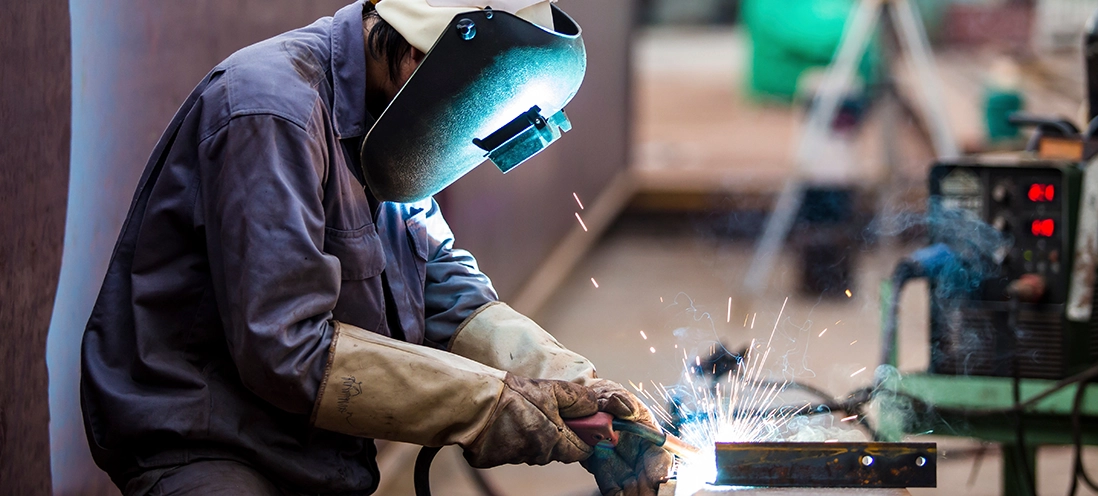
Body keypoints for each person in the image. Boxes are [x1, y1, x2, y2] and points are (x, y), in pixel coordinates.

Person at [79, 1, 673, 495]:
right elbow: (288, 352)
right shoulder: (271, 113)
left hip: (316, 447)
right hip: (208, 445)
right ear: (421, 56)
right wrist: (502, 408)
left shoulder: (390, 126)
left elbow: (442, 287)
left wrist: (572, 386)